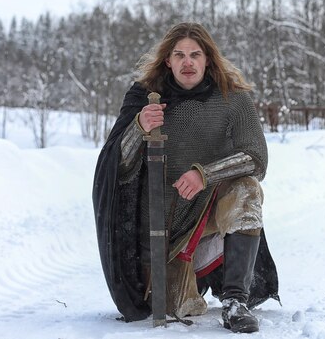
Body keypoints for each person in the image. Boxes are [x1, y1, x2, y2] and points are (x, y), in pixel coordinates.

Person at [92, 22, 279, 333]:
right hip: (164, 233)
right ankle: (186, 283)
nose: (187, 62)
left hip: (210, 212)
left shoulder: (233, 98)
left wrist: (204, 175)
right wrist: (138, 127)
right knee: (176, 307)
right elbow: (119, 170)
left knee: (247, 189)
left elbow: (256, 159)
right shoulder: (145, 97)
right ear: (168, 60)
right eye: (179, 55)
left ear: (208, 58)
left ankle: (235, 301)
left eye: (195, 54)